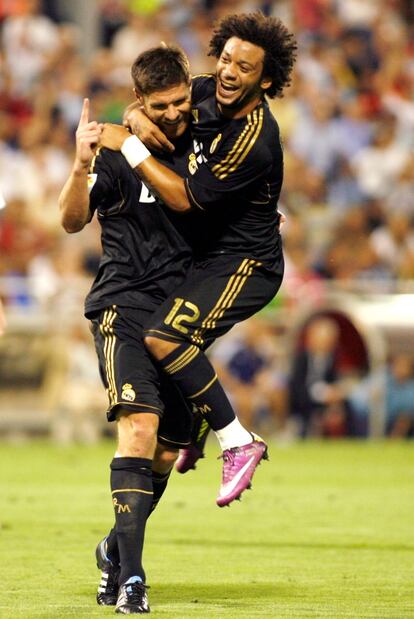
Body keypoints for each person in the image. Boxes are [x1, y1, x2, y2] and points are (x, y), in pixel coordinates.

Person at [100, 12, 297, 507]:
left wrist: (127, 144)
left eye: (245, 67)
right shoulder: (206, 90)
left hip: (246, 264)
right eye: (226, 58)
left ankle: (238, 440)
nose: (229, 72)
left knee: (165, 336)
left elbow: (185, 198)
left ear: (266, 79)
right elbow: (160, 104)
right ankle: (195, 429)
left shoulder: (254, 137)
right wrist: (135, 115)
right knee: (170, 380)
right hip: (205, 259)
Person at [59, 46, 198, 615]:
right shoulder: (112, 152)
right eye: (160, 105)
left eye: (181, 101)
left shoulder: (206, 142)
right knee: (138, 431)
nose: (173, 113)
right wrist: (80, 163)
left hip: (186, 317)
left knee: (167, 453)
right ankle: (131, 579)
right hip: (125, 309)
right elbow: (70, 220)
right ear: (140, 100)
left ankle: (114, 549)